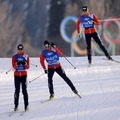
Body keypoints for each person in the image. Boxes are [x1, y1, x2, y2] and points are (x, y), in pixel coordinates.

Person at [12, 44, 30, 111]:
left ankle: (26, 105)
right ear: (17, 50)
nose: (20, 51)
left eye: (21, 49)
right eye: (19, 49)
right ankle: (16, 106)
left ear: (23, 49)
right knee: (17, 91)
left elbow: (28, 67)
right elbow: (13, 67)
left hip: (24, 75)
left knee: (24, 90)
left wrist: (25, 64)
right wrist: (17, 64)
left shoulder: (26, 56)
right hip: (16, 75)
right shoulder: (14, 56)